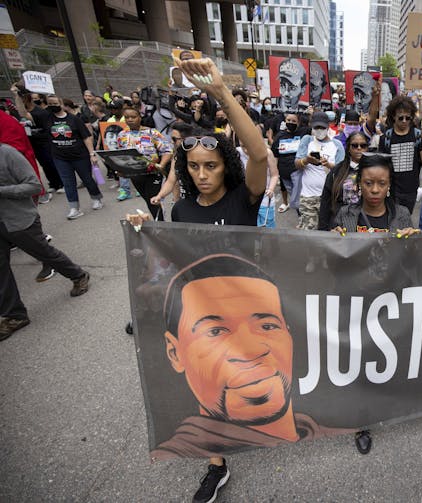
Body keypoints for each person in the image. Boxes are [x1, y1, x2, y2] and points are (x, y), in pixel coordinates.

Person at [127, 57, 269, 503]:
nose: (203, 175)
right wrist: (142, 229)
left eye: (211, 165)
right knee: (207, 389)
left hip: (245, 310)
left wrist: (222, 93)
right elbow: (169, 265)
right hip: (204, 319)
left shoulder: (245, 199)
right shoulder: (181, 212)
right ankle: (217, 464)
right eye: (194, 168)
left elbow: (260, 153)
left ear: (225, 164)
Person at [152, 254, 343, 458]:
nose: (251, 351)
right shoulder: (180, 450)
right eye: (215, 332)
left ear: (289, 333)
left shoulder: (327, 427)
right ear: (175, 353)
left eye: (267, 326)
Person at [0, 142, 90, 341]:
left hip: (19, 220)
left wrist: (2, 191)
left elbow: (33, 185)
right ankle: (15, 315)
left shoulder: (7, 153)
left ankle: (78, 275)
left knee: (44, 253)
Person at [42, 95, 104, 219]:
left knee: (87, 179)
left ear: (62, 104)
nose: (53, 106)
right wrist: (17, 95)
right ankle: (74, 208)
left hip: (79, 156)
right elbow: (26, 113)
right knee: (68, 182)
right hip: (60, 157)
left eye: (55, 103)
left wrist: (92, 154)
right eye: (50, 104)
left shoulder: (74, 119)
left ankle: (96, 198)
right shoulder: (47, 119)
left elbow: (86, 137)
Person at [330, 153, 418, 234]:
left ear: (389, 184)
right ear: (359, 183)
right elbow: (336, 249)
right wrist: (334, 240)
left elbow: (411, 250)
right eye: (368, 183)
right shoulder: (345, 214)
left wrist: (414, 239)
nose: (375, 190)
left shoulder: (402, 215)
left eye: (382, 183)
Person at [115, 106, 173, 219]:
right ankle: (159, 221)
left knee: (153, 200)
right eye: (127, 117)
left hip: (153, 172)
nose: (130, 119)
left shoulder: (151, 132)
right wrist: (121, 170)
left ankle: (160, 224)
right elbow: (120, 155)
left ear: (139, 117)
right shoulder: (122, 135)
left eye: (133, 117)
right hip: (134, 174)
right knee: (148, 199)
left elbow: (167, 150)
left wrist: (162, 165)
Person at [377, 96, 422, 213]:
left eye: (408, 118)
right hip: (391, 190)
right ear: (393, 117)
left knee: (405, 219)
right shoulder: (386, 138)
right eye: (400, 118)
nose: (404, 121)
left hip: (410, 189)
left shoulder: (417, 136)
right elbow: (381, 165)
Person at [294, 112, 345, 230]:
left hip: (329, 197)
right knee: (308, 233)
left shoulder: (336, 145)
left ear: (328, 126)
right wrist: (307, 160)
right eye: (316, 127)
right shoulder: (307, 140)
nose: (319, 130)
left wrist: (329, 165)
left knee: (327, 231)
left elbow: (342, 170)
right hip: (308, 197)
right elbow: (297, 164)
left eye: (322, 127)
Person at [318, 132, 369, 230]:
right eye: (354, 145)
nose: (359, 148)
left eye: (363, 145)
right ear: (349, 148)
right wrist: (323, 230)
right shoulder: (336, 172)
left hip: (365, 224)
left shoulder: (374, 171)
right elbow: (325, 203)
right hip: (340, 225)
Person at [271, 112, 307, 213]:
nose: (291, 122)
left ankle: (303, 215)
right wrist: (275, 172)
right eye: (288, 120)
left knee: (297, 196)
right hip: (283, 171)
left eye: (294, 121)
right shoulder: (280, 135)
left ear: (298, 123)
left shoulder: (302, 133)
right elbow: (275, 154)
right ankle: (300, 214)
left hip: (297, 170)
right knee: (293, 194)